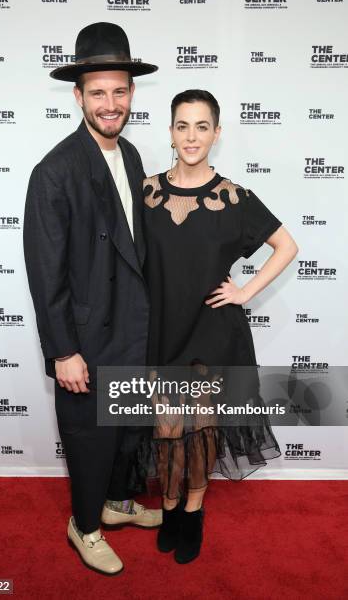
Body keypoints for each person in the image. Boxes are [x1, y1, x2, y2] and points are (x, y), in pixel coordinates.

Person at [23, 22, 162, 576]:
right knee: (88, 435)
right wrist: (62, 351)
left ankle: (115, 501)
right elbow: (45, 271)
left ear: (132, 93)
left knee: (126, 429)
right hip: (85, 339)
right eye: (98, 92)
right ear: (78, 96)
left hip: (129, 325)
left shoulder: (129, 155)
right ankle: (85, 525)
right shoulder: (53, 172)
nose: (111, 103)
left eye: (120, 90)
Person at [141, 89, 298, 564]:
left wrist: (246, 292)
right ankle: (169, 507)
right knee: (168, 431)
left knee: (203, 431)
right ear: (170, 132)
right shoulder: (145, 192)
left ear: (217, 132)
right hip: (163, 330)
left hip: (213, 331)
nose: (192, 136)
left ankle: (193, 511)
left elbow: (286, 246)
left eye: (202, 126)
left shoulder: (234, 197)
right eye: (183, 126)